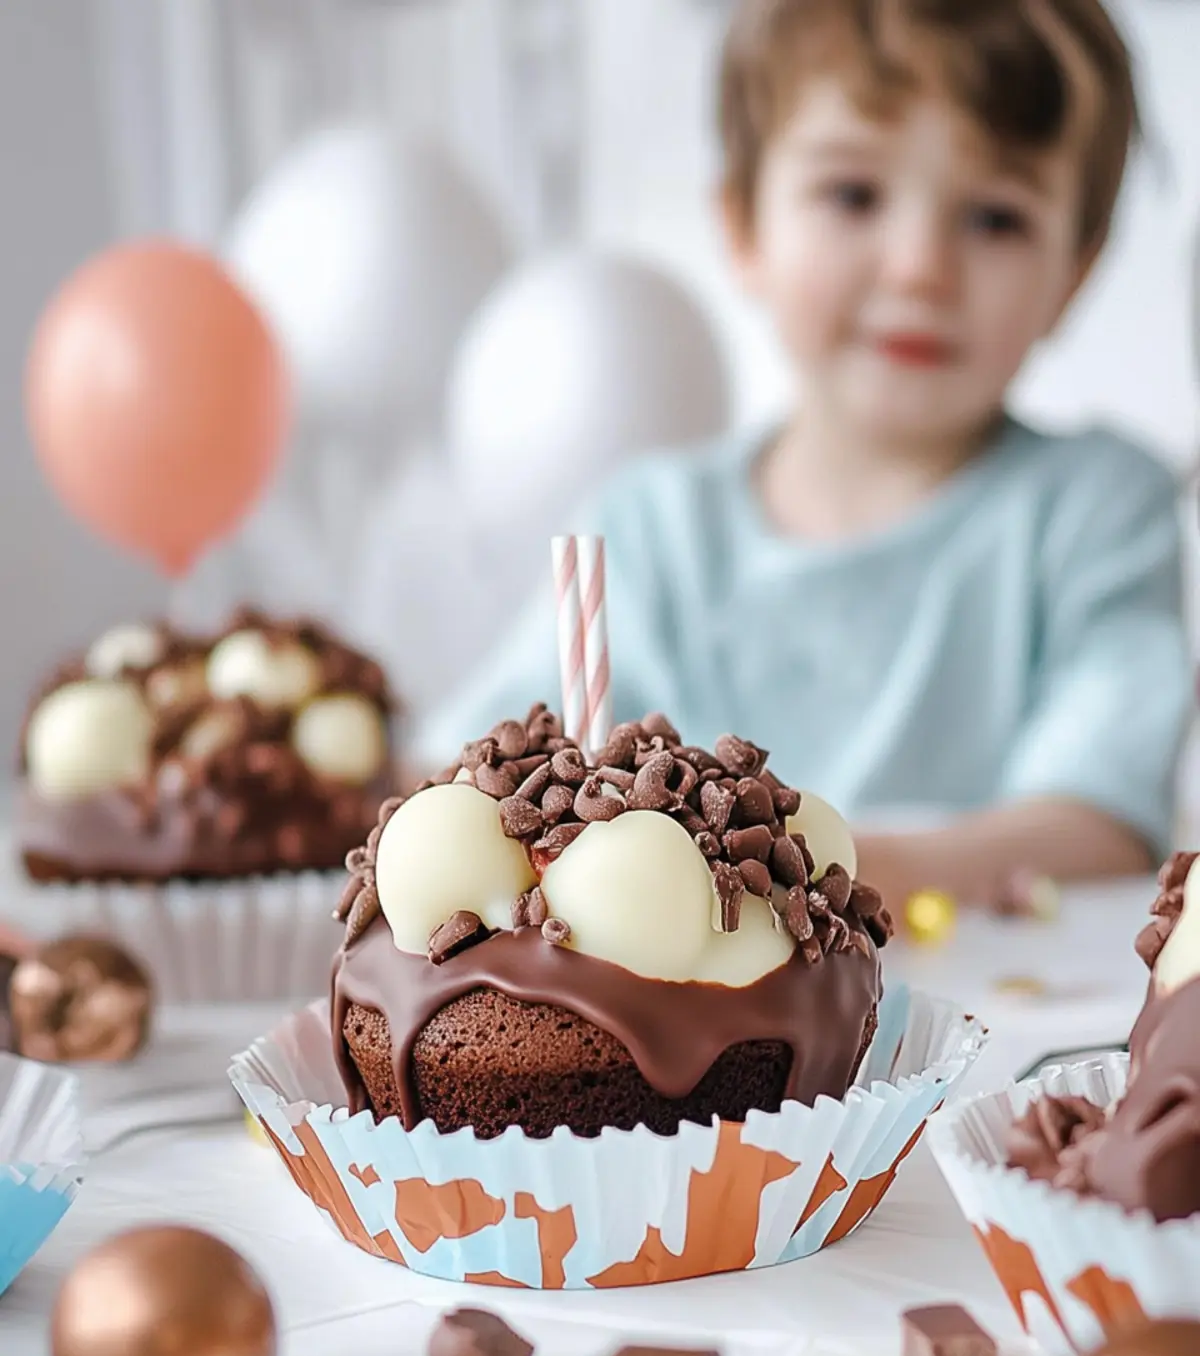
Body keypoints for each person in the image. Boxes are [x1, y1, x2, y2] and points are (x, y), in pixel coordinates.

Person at [416, 0, 1190, 911]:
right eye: (854, 195)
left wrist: (843, 871)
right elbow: (468, 779)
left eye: (996, 218)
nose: (919, 267)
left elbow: (1100, 820)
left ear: (1075, 271)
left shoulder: (1100, 512)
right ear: (744, 224)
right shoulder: (651, 530)